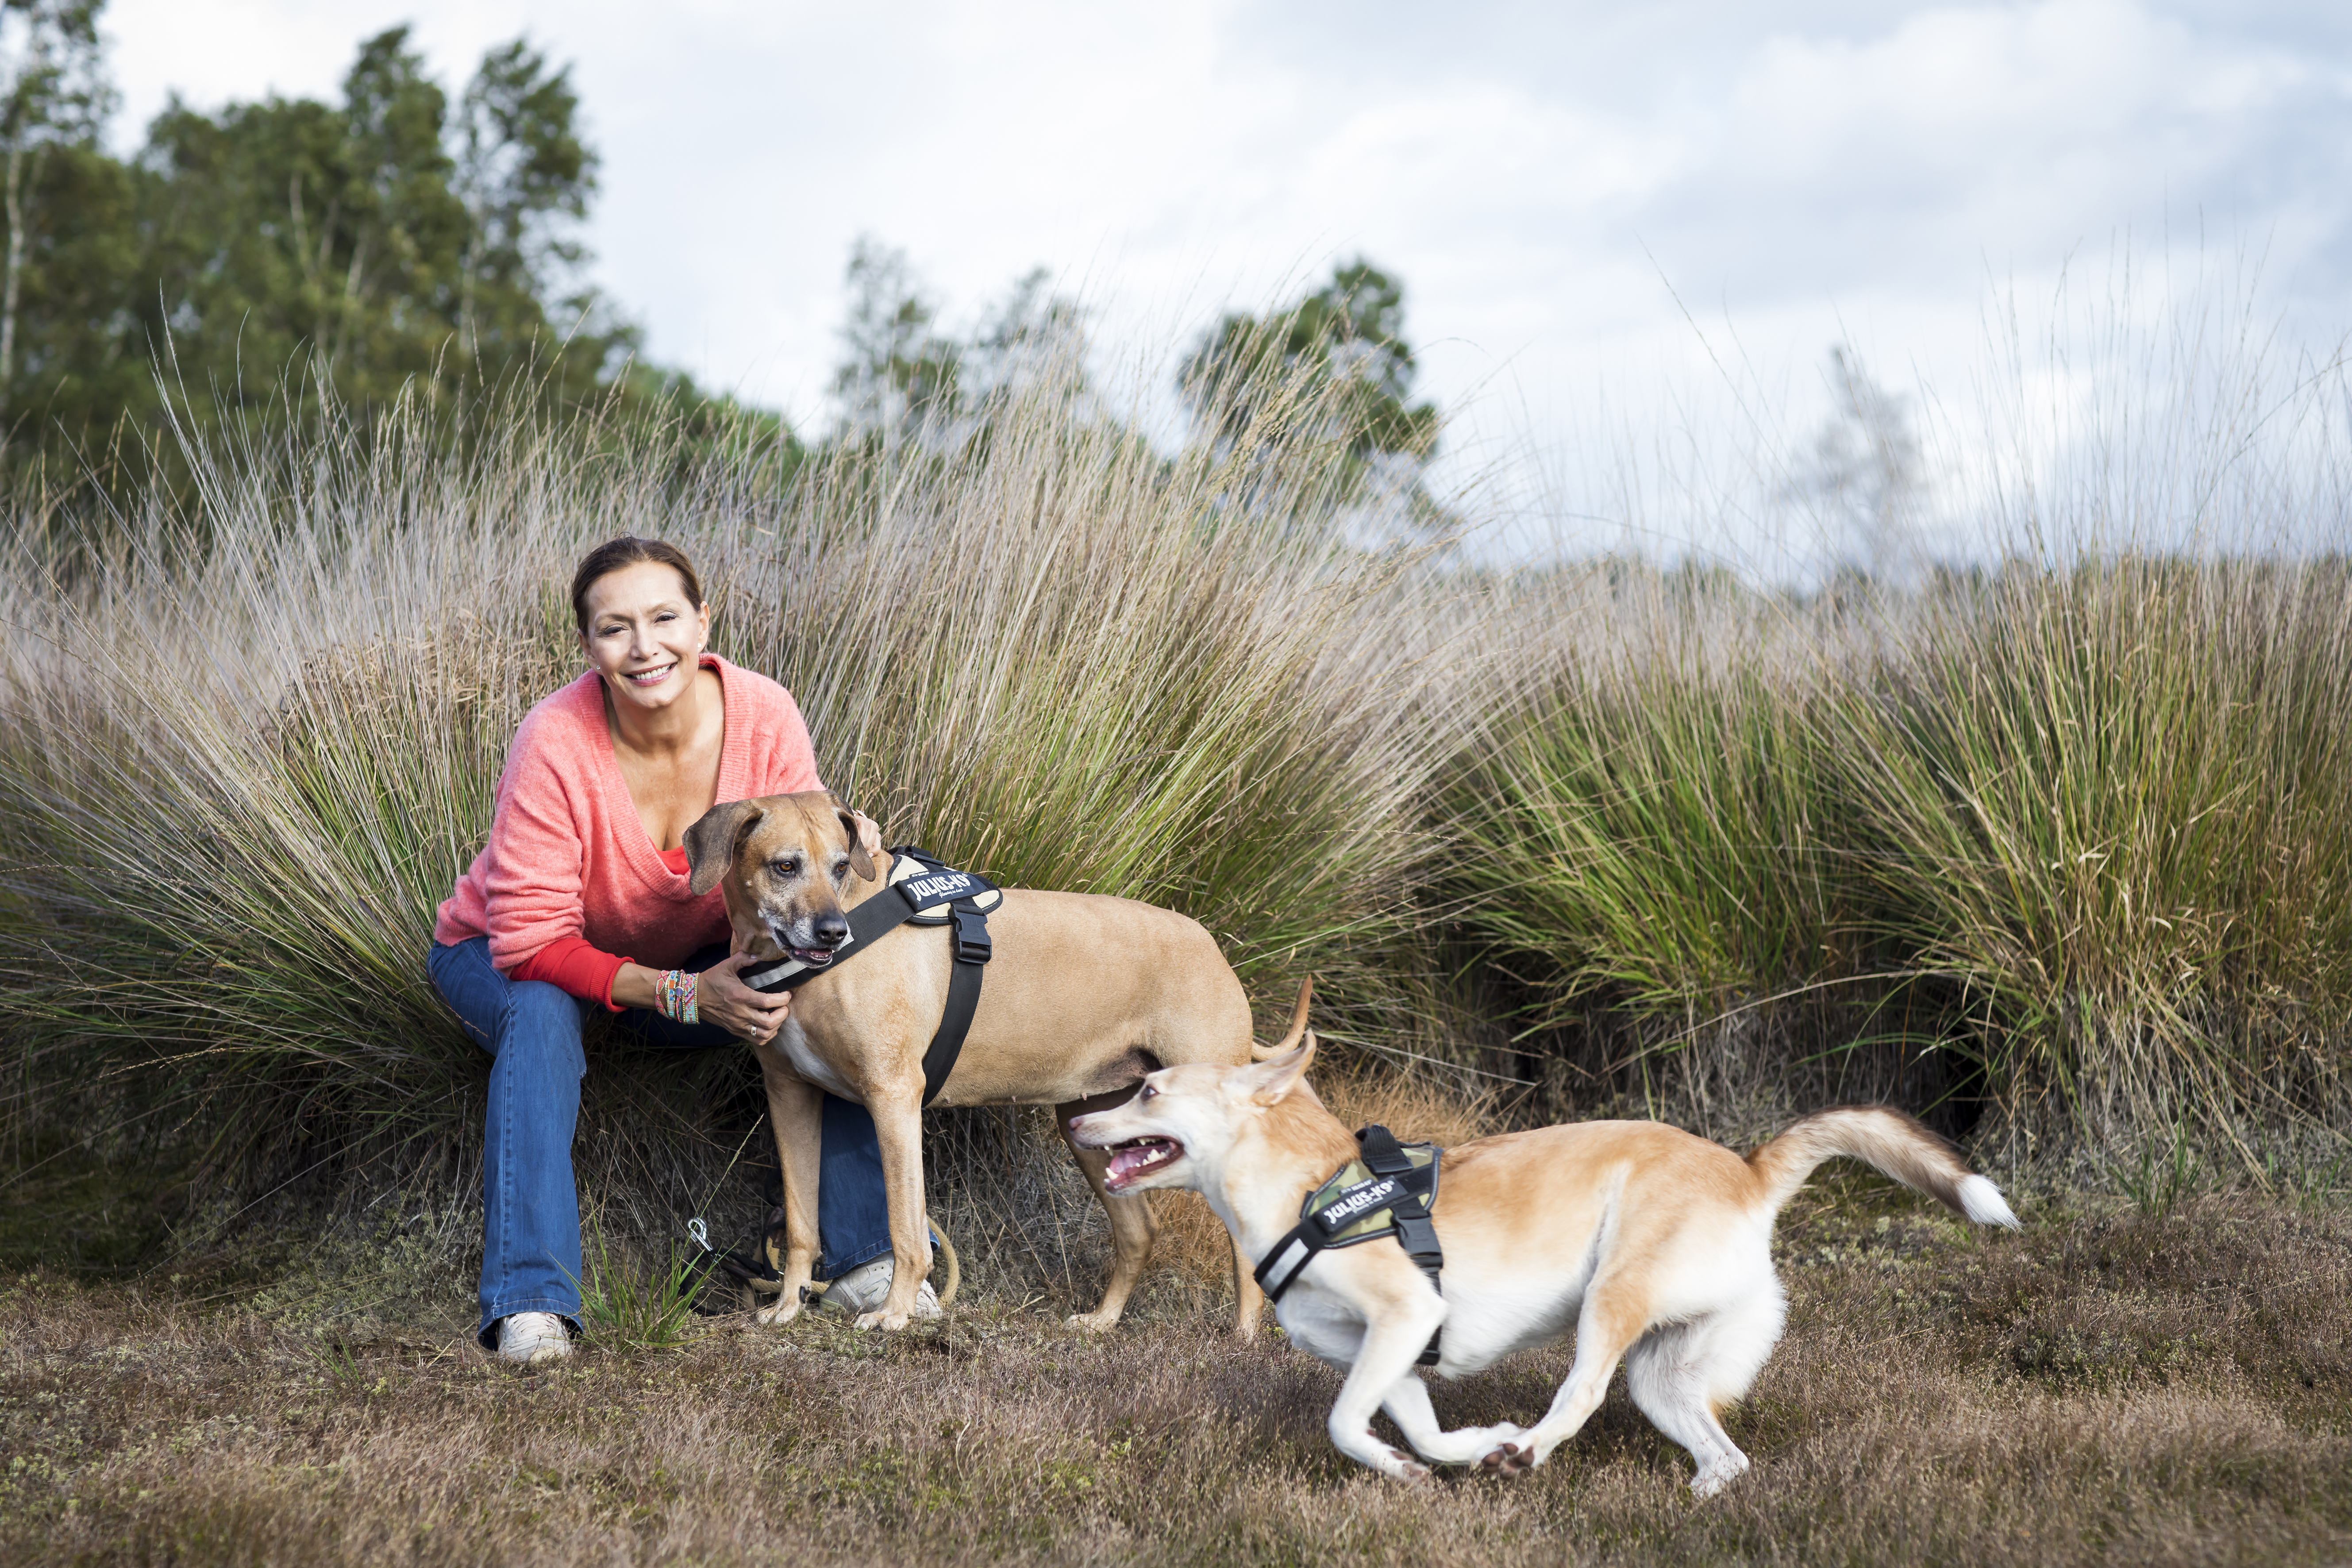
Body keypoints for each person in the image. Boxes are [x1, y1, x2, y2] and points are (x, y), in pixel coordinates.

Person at [429, 537, 932, 1365]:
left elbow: (801, 865)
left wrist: (853, 845)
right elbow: (529, 941)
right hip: (510, 959)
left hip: (687, 971)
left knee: (819, 981)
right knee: (542, 1015)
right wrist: (681, 996)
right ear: (589, 647)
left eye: (664, 618)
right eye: (614, 628)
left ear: (703, 621)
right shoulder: (554, 740)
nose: (644, 646)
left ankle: (862, 1256)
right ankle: (532, 1301)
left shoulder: (765, 713)